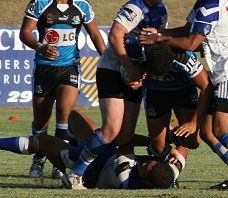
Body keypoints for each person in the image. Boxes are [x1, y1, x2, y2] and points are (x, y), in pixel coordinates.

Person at [139, 0, 228, 191]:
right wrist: (159, 33)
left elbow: (191, 43)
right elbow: (186, 30)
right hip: (225, 75)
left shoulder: (210, 6)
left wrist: (160, 39)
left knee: (221, 129)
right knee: (209, 133)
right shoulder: (202, 5)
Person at [61, 0, 169, 188]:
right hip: (112, 69)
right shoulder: (136, 7)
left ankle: (78, 151)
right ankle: (75, 173)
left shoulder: (162, 9)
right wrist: (129, 66)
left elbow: (152, 47)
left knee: (125, 136)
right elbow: (115, 35)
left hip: (134, 73)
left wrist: (141, 74)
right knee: (111, 129)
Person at [19, 0, 106, 179]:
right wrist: (40, 47)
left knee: (64, 112)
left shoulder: (82, 6)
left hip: (70, 67)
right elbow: (25, 33)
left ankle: (60, 162)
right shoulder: (39, 3)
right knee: (41, 120)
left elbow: (96, 35)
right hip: (45, 68)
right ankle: (39, 157)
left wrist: (108, 61)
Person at [0, 110, 186, 189]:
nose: (144, 164)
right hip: (106, 152)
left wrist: (153, 142)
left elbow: (124, 141)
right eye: (149, 162)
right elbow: (186, 144)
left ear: (145, 181)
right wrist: (169, 147)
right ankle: (73, 146)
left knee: (42, 142)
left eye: (144, 168)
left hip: (88, 168)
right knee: (74, 117)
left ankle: (68, 160)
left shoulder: (126, 178)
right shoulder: (169, 173)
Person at [124, 40, 213, 160]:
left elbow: (206, 87)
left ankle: (170, 134)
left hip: (183, 90)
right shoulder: (136, 50)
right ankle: (163, 138)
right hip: (155, 91)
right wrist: (134, 79)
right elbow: (125, 71)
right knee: (159, 148)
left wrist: (194, 122)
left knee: (193, 142)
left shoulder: (184, 58)